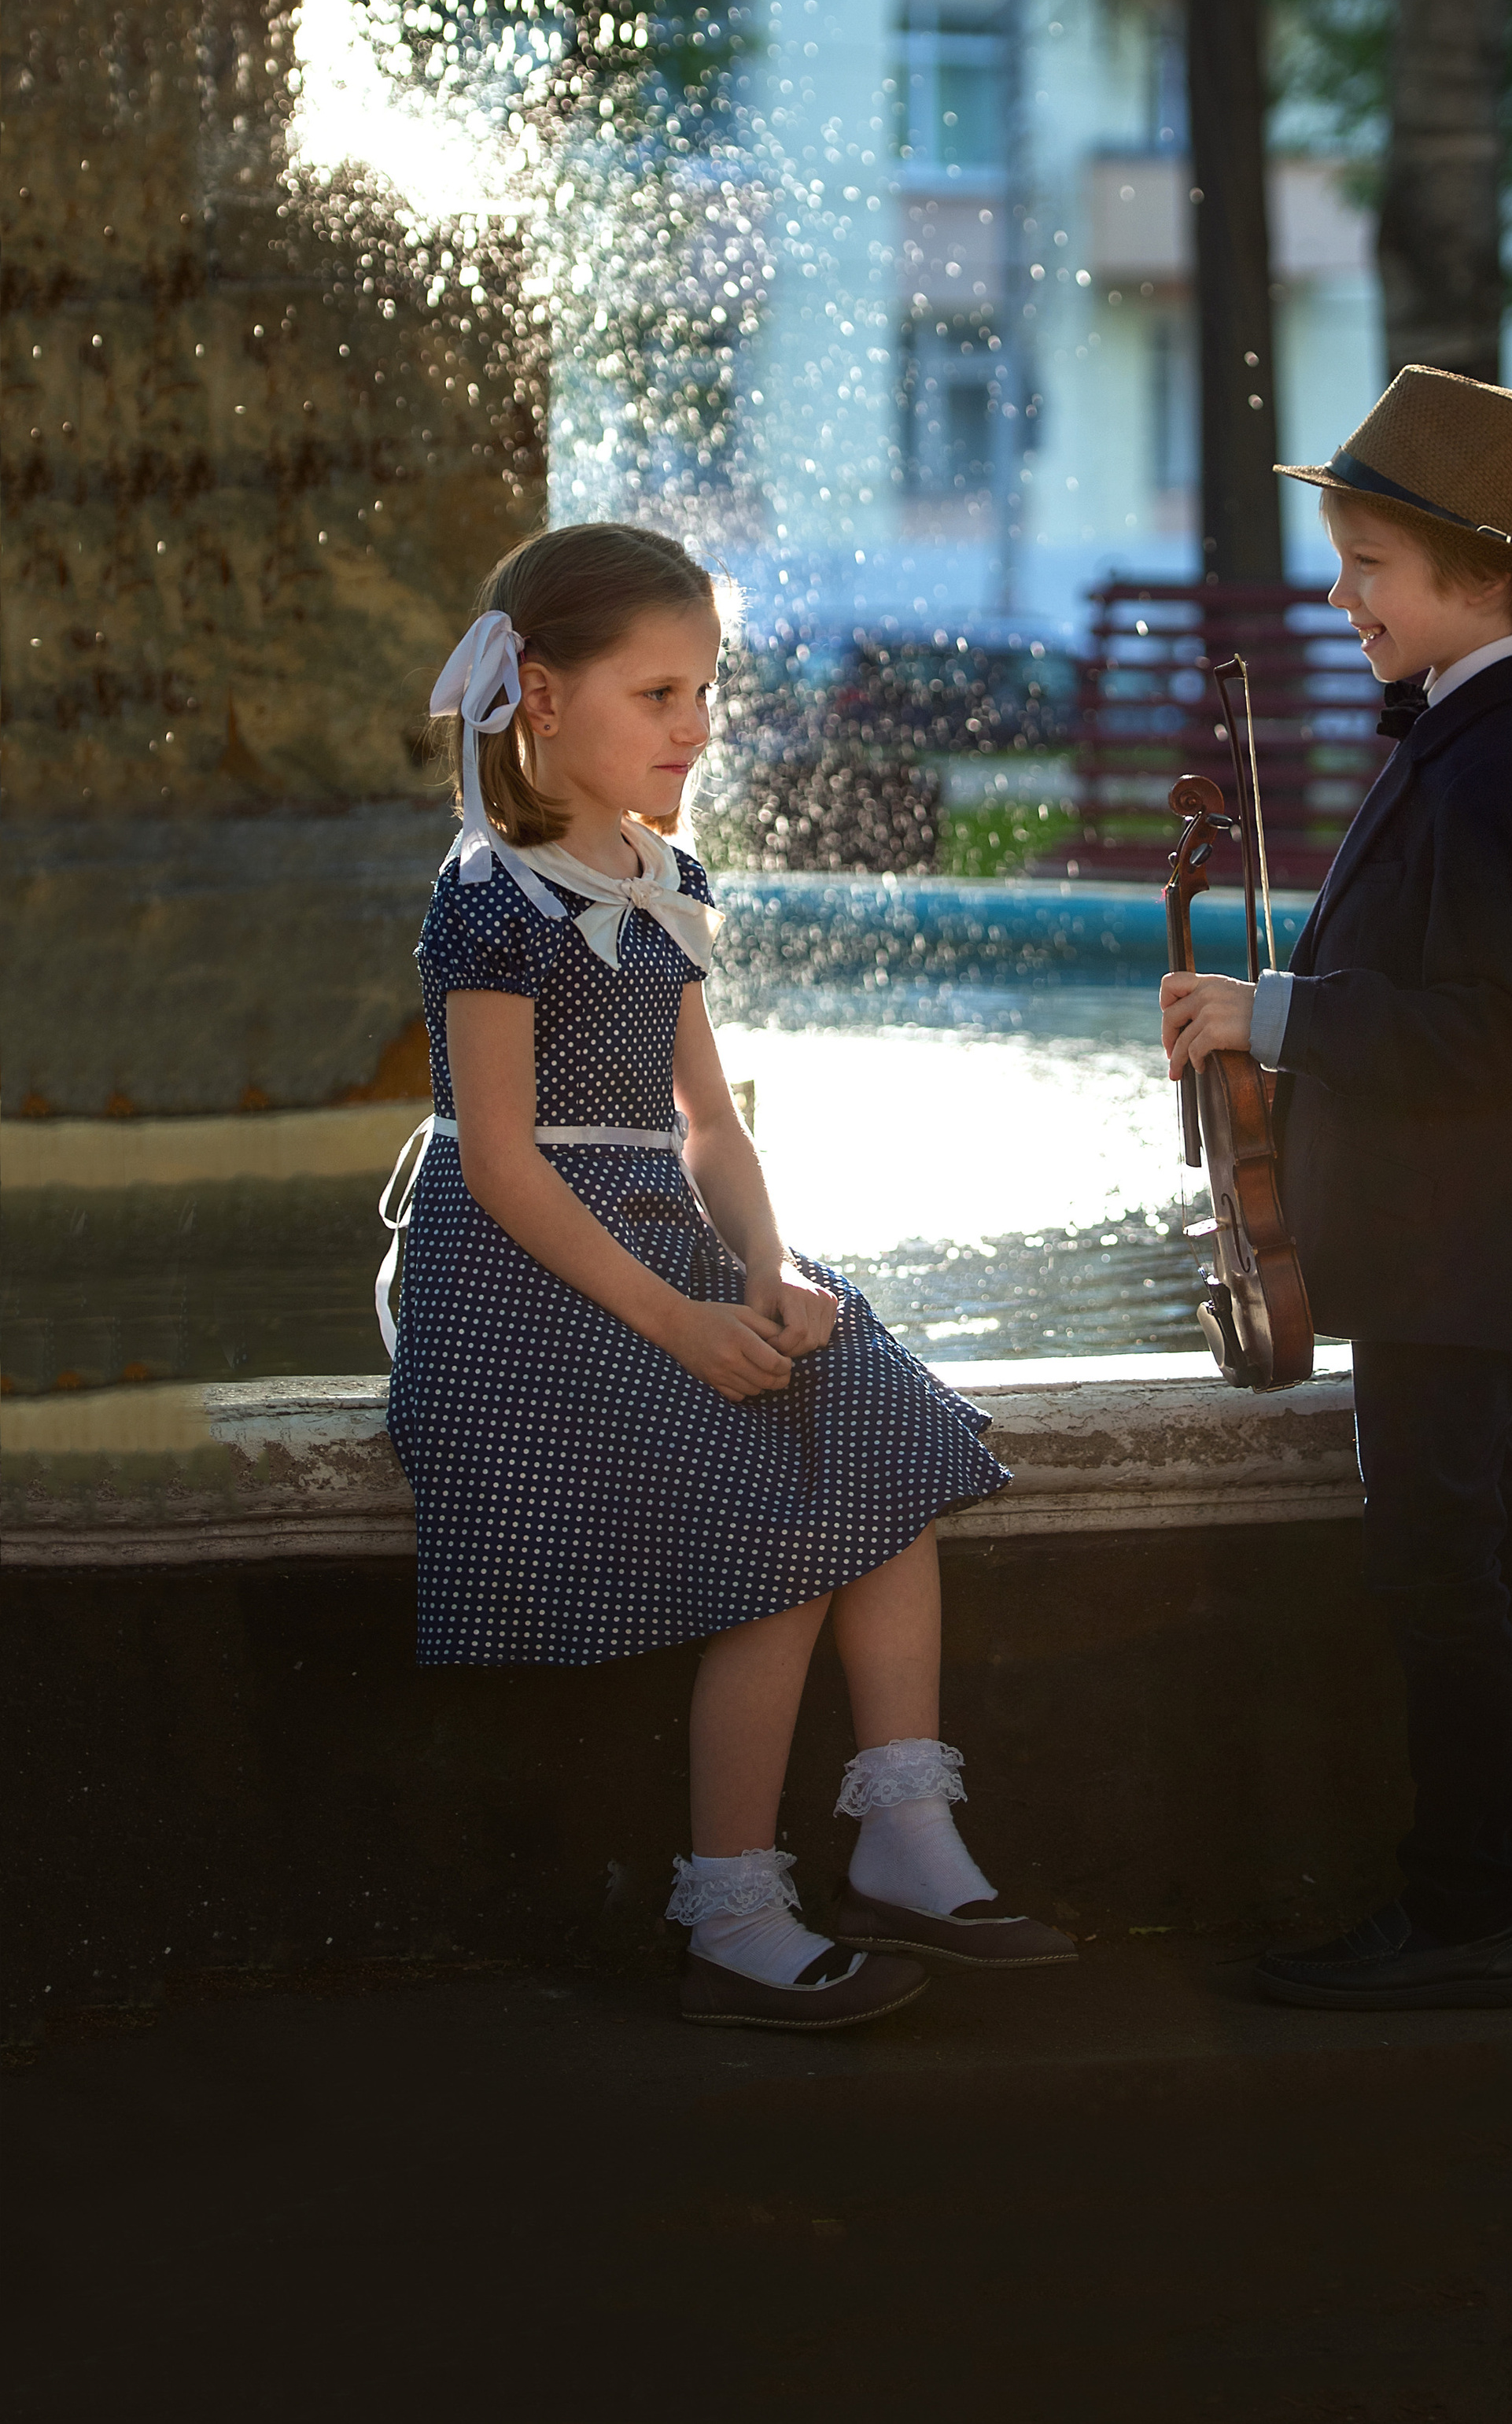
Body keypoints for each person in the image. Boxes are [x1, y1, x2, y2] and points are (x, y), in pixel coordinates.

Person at [380, 520, 1074, 2032]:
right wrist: (685, 1322)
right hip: (525, 1276)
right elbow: (500, 1164)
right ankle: (733, 1907)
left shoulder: (664, 874)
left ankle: (902, 1831)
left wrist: (771, 1268)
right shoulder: (493, 896)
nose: (697, 729)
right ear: (544, 699)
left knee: (882, 1433)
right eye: (659, 695)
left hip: (666, 1240)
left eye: (705, 690)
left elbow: (708, 1119)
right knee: (782, 1519)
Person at [1160, 366, 1512, 2008]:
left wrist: (1268, 1012)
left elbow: (1494, 1035)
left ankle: (1463, 1919)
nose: (1340, 593)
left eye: (1367, 562)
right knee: (1497, 1550)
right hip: (1460, 1243)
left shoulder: (1503, 768)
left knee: (1446, 1574)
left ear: (1480, 577)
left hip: (1450, 1247)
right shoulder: (1479, 733)